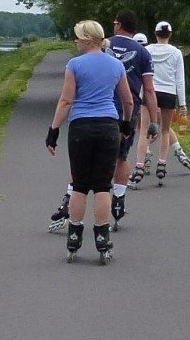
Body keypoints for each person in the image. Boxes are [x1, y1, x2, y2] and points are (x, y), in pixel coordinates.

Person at [45, 20, 131, 262]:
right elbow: (128, 101)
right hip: (108, 127)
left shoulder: (74, 65)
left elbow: (66, 101)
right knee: (104, 185)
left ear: (88, 40)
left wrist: (54, 130)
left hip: (81, 127)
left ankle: (74, 235)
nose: (76, 42)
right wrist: (125, 123)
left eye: (78, 38)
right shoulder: (116, 65)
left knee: (80, 184)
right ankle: (102, 237)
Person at [106, 11, 157, 215]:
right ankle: (118, 198)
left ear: (119, 25)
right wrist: (154, 121)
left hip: (103, 106)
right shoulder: (143, 53)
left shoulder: (103, 45)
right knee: (121, 156)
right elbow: (150, 89)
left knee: (97, 154)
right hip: (129, 109)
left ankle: (76, 195)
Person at [145, 20, 190, 179]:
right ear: (170, 35)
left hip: (151, 92)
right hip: (169, 93)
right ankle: (162, 163)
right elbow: (180, 80)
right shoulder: (176, 53)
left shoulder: (147, 50)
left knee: (147, 127)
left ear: (155, 34)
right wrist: (182, 104)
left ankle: (143, 158)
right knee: (165, 129)